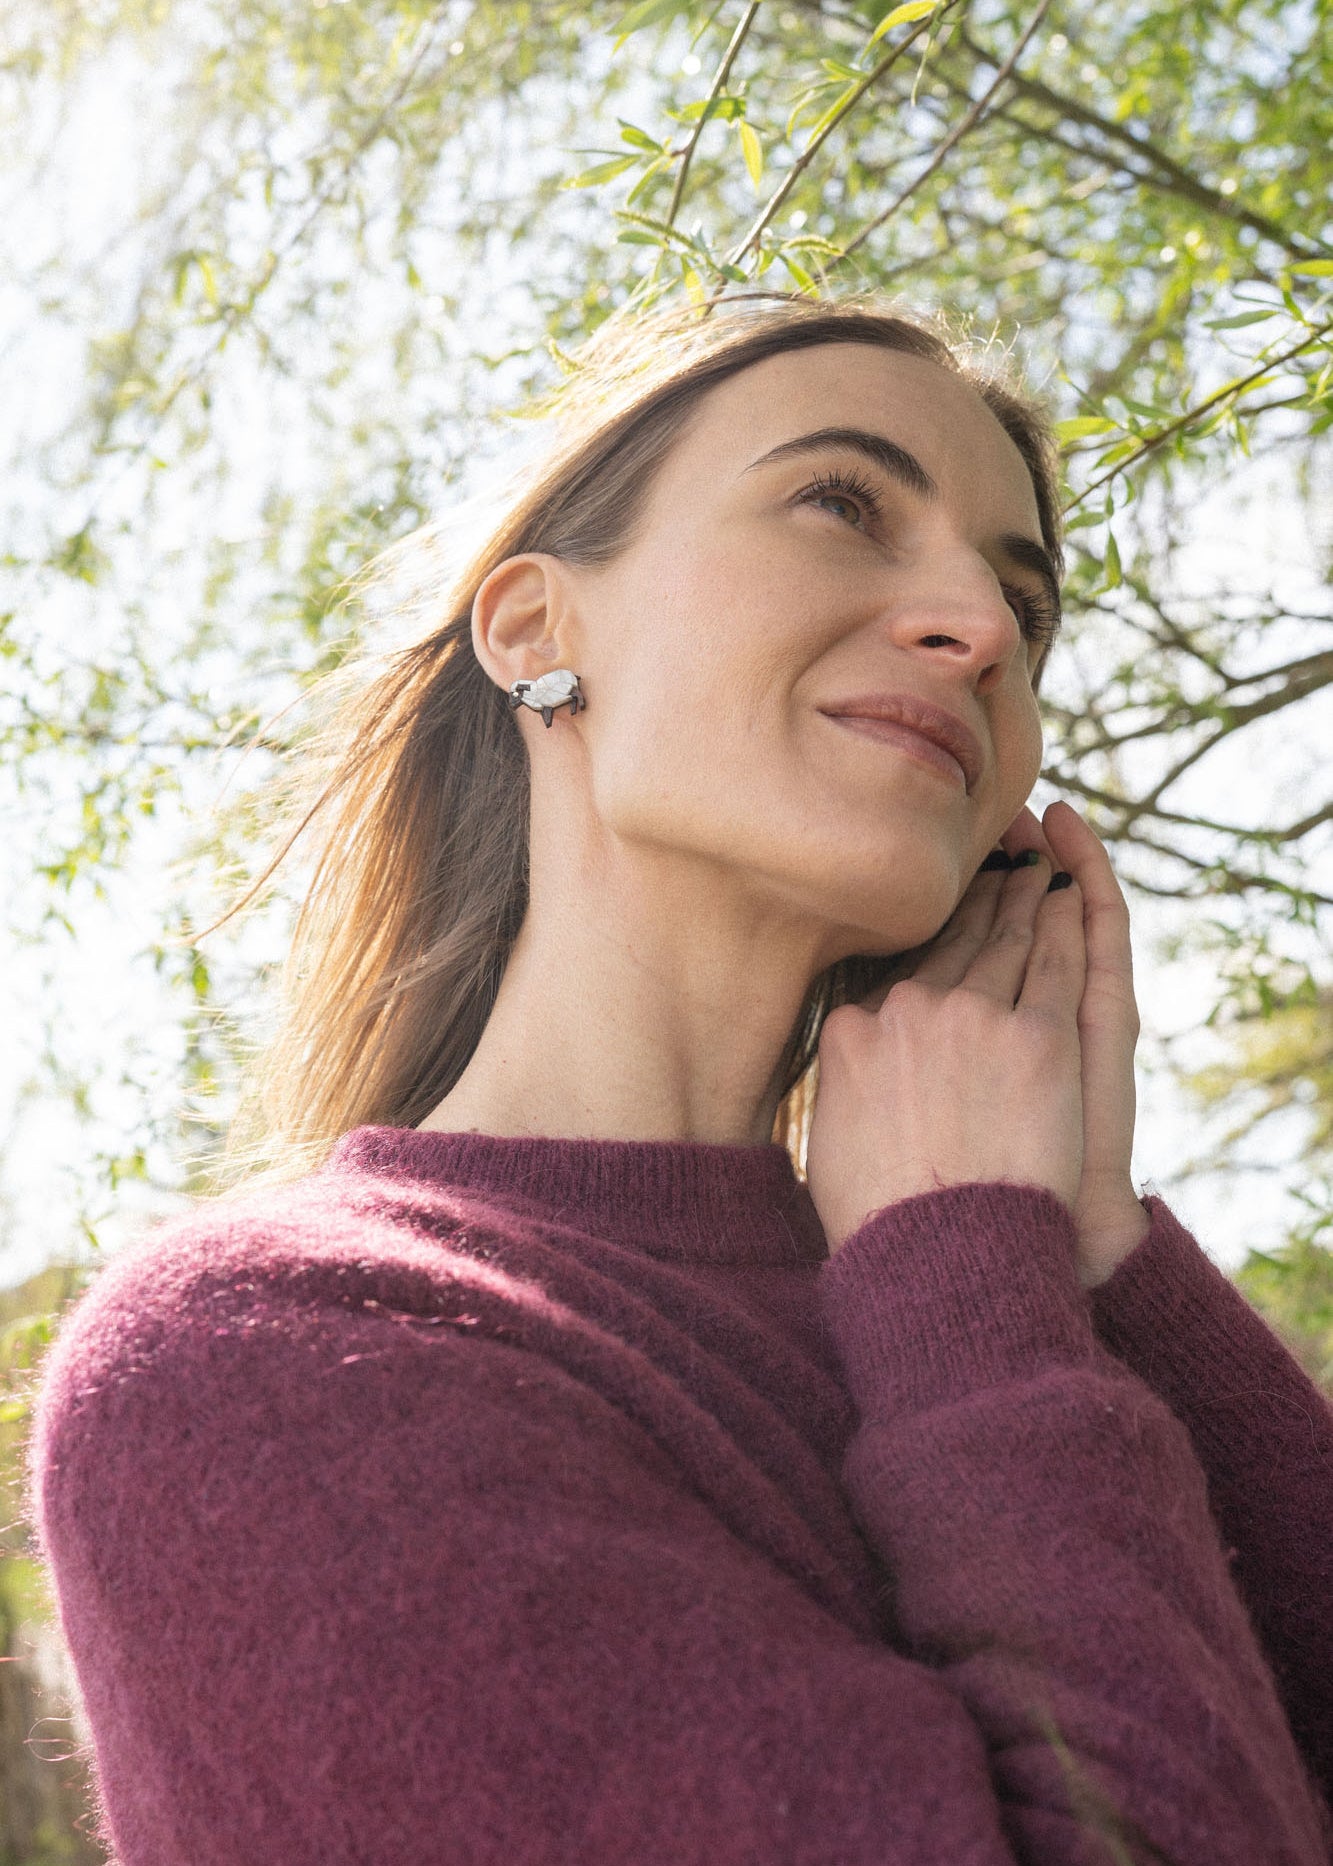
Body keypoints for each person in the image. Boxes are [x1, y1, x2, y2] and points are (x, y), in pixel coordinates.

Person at [27, 291, 1333, 1865]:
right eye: (842, 504)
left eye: (1023, 602)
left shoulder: (977, 1282)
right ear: (533, 633)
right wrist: (975, 1286)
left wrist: (1086, 1249)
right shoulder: (263, 1358)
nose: (979, 627)